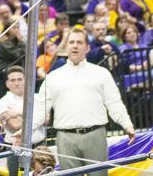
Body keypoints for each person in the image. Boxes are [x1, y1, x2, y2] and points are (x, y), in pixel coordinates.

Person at [33, 27, 135, 176]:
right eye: (71, 42)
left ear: (87, 48)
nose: (75, 45)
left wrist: (128, 125)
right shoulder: (53, 77)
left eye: (79, 42)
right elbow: (40, 108)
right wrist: (25, 131)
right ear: (66, 47)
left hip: (95, 135)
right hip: (65, 137)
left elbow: (114, 103)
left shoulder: (101, 73)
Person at [0, 66, 45, 176]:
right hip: (17, 150)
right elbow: (15, 125)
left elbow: (46, 119)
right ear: (7, 84)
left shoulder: (37, 98)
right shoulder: (2, 102)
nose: (16, 83)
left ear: (26, 81)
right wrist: (36, 116)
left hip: (39, 147)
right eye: (12, 80)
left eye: (19, 79)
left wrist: (18, 113)